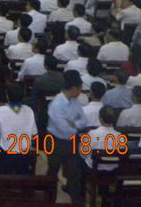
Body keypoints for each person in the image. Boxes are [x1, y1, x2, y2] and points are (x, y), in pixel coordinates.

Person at [46, 72, 87, 204]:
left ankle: (76, 201)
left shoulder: (75, 101)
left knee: (74, 173)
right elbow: (63, 128)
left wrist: (73, 124)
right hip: (56, 141)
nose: (81, 91)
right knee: (53, 171)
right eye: (80, 88)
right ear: (74, 88)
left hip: (72, 141)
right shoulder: (57, 104)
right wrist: (75, 125)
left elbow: (84, 120)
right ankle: (48, 199)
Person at [0, 83, 37, 174]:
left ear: (7, 96)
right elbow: (34, 132)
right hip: (24, 153)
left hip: (7, 154)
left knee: (5, 176)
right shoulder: (29, 110)